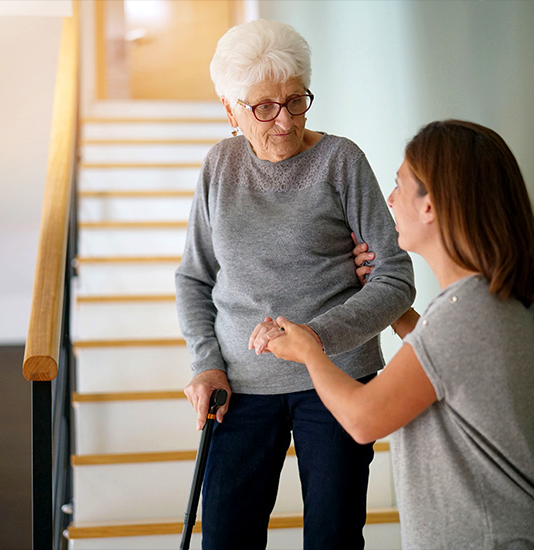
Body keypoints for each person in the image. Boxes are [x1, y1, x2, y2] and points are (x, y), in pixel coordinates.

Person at [260, 120, 534, 549]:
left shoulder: (464, 315)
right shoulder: (495, 302)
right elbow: (442, 368)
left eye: (399, 186)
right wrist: (393, 308)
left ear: (431, 205)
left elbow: (362, 419)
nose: (389, 200)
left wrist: (309, 349)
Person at [174, 19, 416, 550]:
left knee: (333, 539)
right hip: (239, 387)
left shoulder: (341, 160)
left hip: (336, 378)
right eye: (264, 107)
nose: (284, 121)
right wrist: (206, 363)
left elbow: (395, 278)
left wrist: (313, 340)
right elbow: (194, 278)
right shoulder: (219, 166)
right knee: (225, 539)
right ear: (230, 109)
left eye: (296, 101)